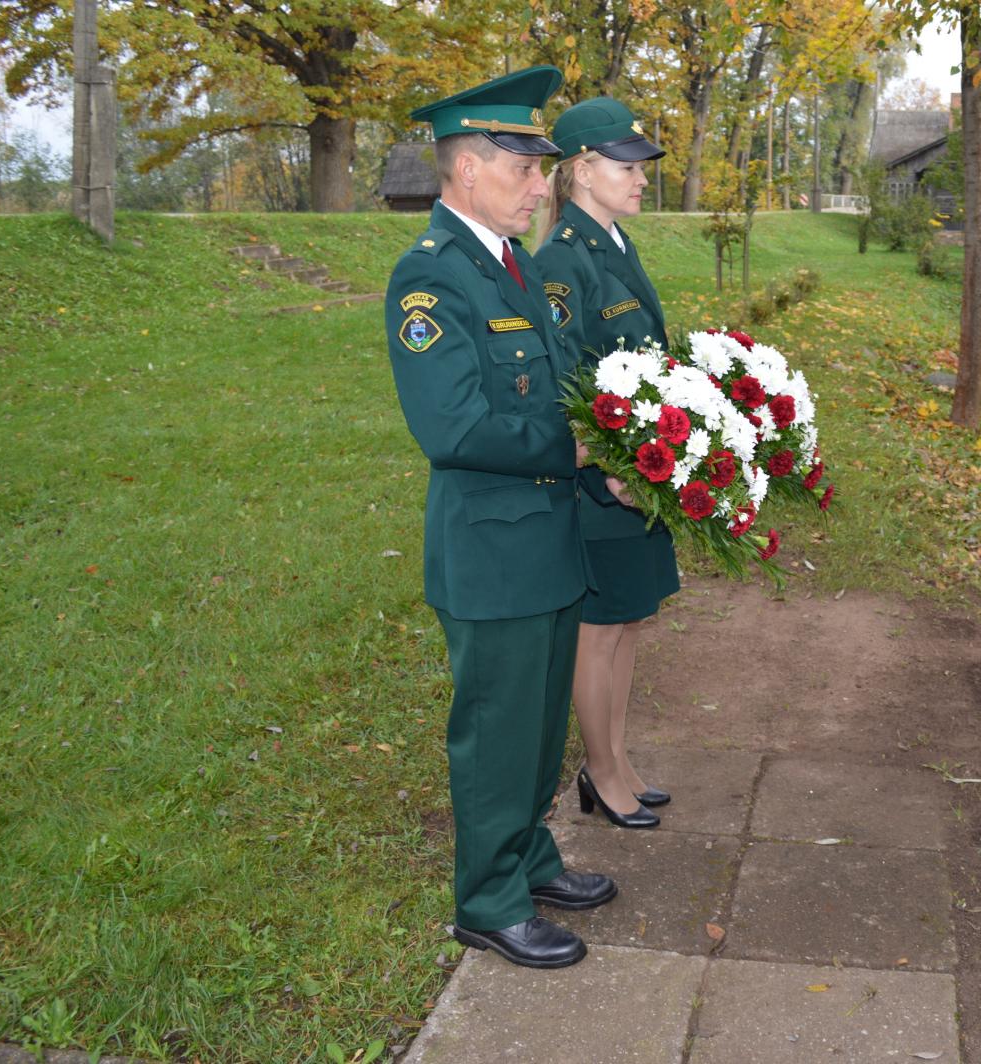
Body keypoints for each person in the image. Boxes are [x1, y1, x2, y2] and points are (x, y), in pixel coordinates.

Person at [384, 67, 614, 970]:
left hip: (545, 543)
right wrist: (577, 452)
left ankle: (530, 858)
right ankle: (487, 900)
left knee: (539, 720)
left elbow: (556, 393)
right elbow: (455, 426)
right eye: (524, 167)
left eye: (543, 166)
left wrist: (613, 457)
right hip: (493, 552)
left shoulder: (510, 264)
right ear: (468, 168)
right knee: (496, 731)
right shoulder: (430, 278)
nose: (540, 183)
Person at [535, 98, 678, 830]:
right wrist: (610, 468)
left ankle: (617, 759)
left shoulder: (614, 245)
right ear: (582, 171)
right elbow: (566, 387)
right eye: (628, 166)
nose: (643, 178)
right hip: (603, 483)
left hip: (639, 474)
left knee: (629, 622)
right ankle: (598, 770)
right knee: (600, 628)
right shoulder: (563, 260)